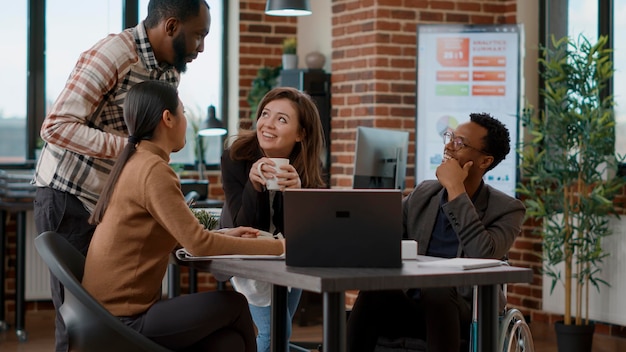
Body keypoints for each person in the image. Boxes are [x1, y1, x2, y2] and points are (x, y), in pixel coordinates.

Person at [32, 1, 211, 350]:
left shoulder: (168, 72)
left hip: (107, 204)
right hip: (69, 195)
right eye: (198, 36)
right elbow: (56, 126)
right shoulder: (115, 54)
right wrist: (131, 147)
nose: (201, 47)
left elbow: (156, 139)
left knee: (111, 324)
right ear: (171, 27)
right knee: (78, 324)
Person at [82, 80, 284, 351]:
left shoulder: (136, 161)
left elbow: (182, 236)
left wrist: (223, 234)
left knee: (229, 342)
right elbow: (198, 245)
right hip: (123, 319)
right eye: (184, 113)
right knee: (235, 304)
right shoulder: (153, 170)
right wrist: (278, 246)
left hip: (104, 315)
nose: (186, 121)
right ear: (168, 118)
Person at [346, 113, 526, 352]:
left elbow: (482, 254)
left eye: (460, 143)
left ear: (485, 161)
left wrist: (455, 189)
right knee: (375, 290)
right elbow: (384, 236)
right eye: (450, 137)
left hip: (466, 311)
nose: (449, 146)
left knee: (437, 287)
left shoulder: (506, 209)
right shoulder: (424, 194)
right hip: (413, 303)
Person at [220, 87, 326, 352]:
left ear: (301, 134)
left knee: (281, 335)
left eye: (282, 119)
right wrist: (253, 186)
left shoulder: (307, 168)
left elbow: (304, 234)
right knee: (273, 334)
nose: (268, 124)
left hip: (287, 255)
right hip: (246, 253)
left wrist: (297, 195)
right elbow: (243, 227)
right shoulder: (236, 157)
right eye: (265, 114)